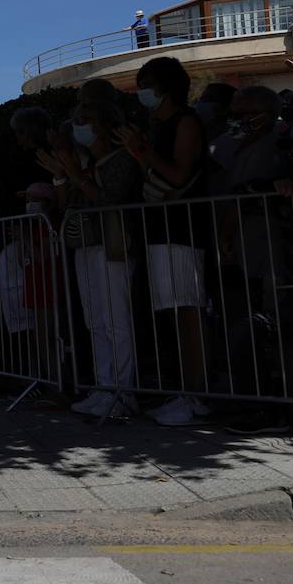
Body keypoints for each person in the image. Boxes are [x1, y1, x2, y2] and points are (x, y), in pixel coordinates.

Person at [114, 56, 211, 426]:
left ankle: (198, 393)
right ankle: (185, 390)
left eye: (145, 84)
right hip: (160, 228)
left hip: (182, 229)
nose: (140, 91)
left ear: (165, 88)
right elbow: (152, 173)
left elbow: (177, 174)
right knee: (173, 311)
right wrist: (140, 151)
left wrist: (141, 149)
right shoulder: (158, 126)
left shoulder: (185, 122)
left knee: (188, 310)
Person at [41, 100, 143, 418]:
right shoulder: (83, 161)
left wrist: (73, 174)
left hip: (113, 245)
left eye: (85, 119)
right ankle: (105, 386)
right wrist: (64, 175)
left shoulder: (121, 160)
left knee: (116, 320)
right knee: (95, 321)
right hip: (85, 244)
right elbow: (69, 201)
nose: (78, 126)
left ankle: (125, 392)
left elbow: (109, 200)